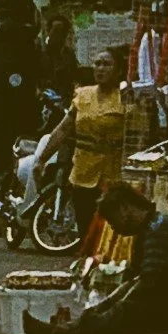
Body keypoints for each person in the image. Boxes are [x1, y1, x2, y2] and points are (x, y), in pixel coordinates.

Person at [24, 182, 168, 334]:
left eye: (112, 220)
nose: (114, 228)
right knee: (120, 307)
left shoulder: (160, 229)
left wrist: (113, 312)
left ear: (124, 209)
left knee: (125, 313)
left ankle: (62, 332)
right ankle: (69, 328)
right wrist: (101, 308)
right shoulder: (152, 227)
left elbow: (147, 284)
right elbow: (135, 281)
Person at [33, 46, 127, 238]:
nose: (100, 69)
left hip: (112, 175)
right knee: (86, 230)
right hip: (82, 173)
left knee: (109, 234)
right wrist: (41, 159)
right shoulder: (83, 95)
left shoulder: (125, 98)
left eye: (107, 64)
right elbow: (63, 129)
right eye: (97, 64)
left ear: (118, 71)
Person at [38, 16, 78, 104]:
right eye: (55, 31)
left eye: (62, 31)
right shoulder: (39, 53)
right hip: (44, 99)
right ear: (48, 31)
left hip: (65, 99)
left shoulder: (69, 54)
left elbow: (74, 77)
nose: (59, 35)